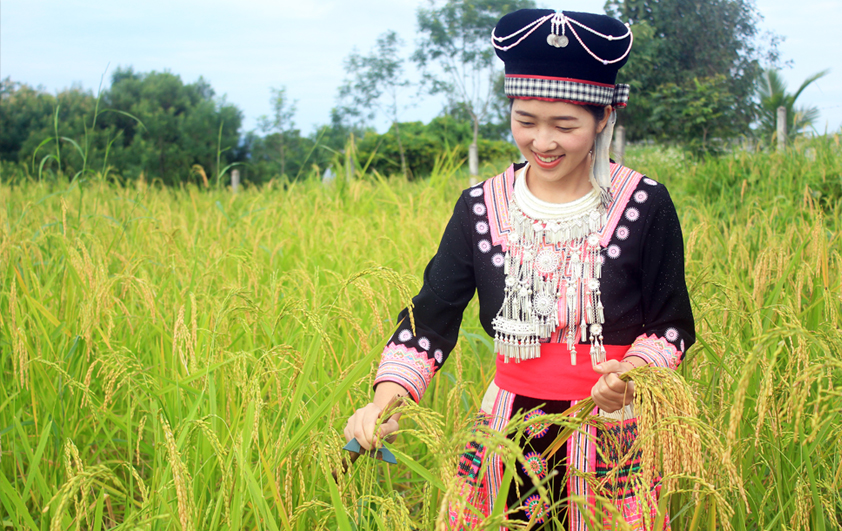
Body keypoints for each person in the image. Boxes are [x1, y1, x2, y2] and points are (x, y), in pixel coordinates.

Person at [344, 8, 694, 530]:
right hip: (504, 435)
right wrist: (383, 403)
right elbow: (430, 321)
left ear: (603, 118)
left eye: (565, 126)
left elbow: (671, 325)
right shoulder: (481, 206)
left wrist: (632, 376)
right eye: (525, 121)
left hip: (611, 432)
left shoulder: (644, 203)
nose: (542, 142)